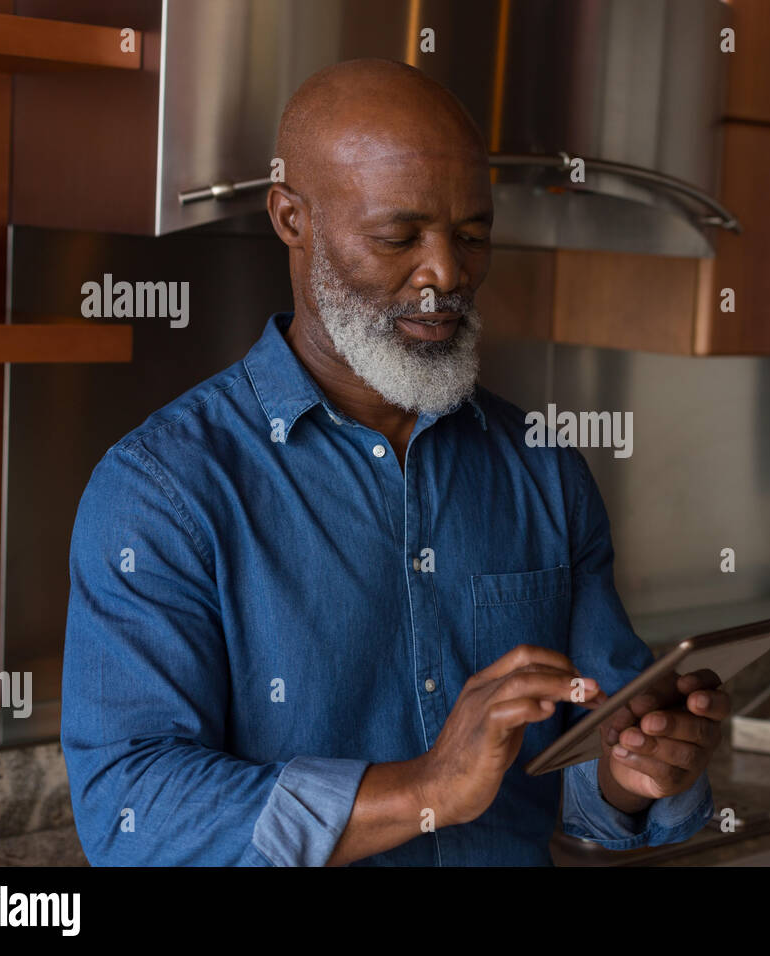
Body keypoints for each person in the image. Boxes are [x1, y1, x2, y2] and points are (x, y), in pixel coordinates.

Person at [62, 59, 724, 866]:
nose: (445, 274)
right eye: (398, 237)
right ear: (291, 218)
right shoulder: (162, 491)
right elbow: (132, 811)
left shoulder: (544, 470)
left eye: (473, 235)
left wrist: (636, 771)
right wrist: (426, 790)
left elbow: (587, 770)